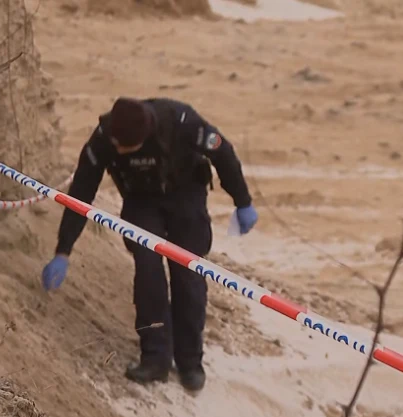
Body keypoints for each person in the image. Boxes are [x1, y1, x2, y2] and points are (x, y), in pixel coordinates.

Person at [40, 97, 258, 392]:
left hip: (186, 195)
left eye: (124, 149)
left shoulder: (182, 122)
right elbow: (81, 193)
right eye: (116, 145)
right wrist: (63, 250)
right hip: (141, 202)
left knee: (187, 274)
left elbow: (225, 154)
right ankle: (155, 357)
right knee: (148, 271)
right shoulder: (105, 137)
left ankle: (190, 361)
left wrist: (242, 202)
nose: (116, 151)